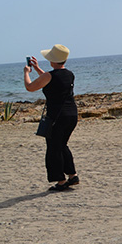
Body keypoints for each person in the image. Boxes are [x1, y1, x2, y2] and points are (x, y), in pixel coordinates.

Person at [24, 44, 80, 192]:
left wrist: (26, 72)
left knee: (54, 148)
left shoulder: (50, 76)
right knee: (62, 145)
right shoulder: (69, 74)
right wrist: (37, 69)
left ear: (52, 60)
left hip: (57, 117)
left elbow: (30, 87)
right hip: (72, 114)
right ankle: (72, 175)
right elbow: (51, 80)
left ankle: (61, 181)